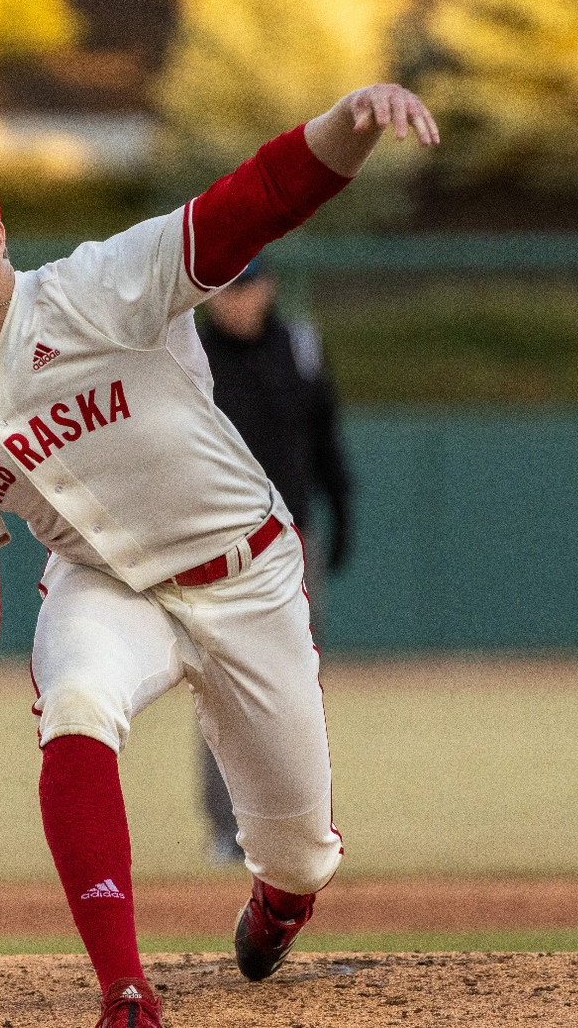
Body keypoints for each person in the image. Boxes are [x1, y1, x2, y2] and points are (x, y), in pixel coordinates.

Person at [0, 83, 439, 1028]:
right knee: (76, 704)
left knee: (298, 850)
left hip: (245, 575)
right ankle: (125, 991)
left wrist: (349, 124)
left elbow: (254, 200)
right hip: (104, 585)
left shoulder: (100, 288)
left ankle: (281, 898)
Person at [193, 258, 354, 865]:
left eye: (246, 286)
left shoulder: (301, 347)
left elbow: (325, 438)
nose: (235, 300)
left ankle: (298, 825)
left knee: (294, 685)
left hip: (291, 537)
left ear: (269, 287)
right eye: (224, 288)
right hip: (215, 544)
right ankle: (225, 827)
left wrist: (340, 513)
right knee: (221, 684)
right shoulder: (188, 353)